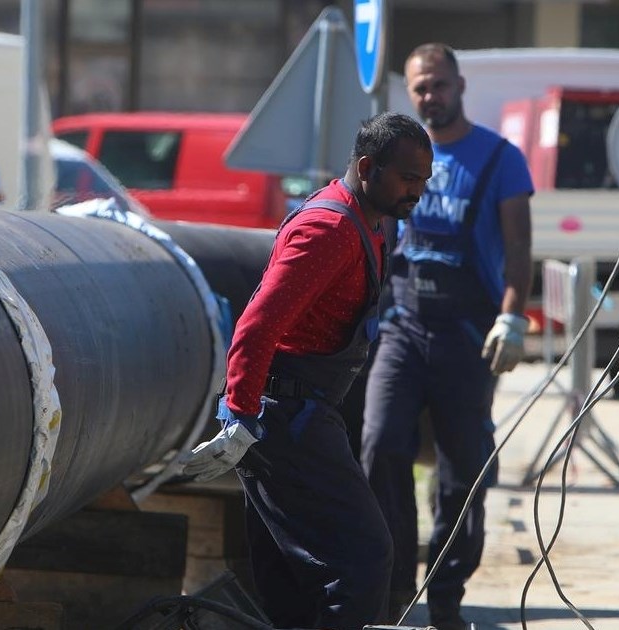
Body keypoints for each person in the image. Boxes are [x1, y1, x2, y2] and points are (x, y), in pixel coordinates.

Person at [180, 112, 433, 630]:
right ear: (367, 167)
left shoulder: (372, 221)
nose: (417, 191)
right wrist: (240, 417)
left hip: (304, 411)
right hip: (284, 418)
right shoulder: (330, 229)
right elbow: (257, 324)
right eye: (408, 178)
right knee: (364, 558)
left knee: (291, 579)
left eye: (425, 180)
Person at [360, 42, 534, 630]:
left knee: (464, 471)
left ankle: (445, 600)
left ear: (459, 86)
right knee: (381, 446)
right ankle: (392, 592)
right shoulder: (392, 160)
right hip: (402, 326)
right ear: (408, 93)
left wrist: (513, 316)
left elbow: (519, 251)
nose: (430, 96)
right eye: (420, 88)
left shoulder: (499, 158)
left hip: (467, 334)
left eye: (439, 85)